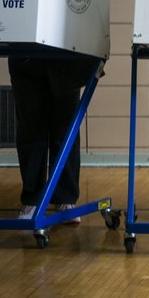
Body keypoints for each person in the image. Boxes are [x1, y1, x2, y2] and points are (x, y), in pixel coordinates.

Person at [11, 58, 97, 222]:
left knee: (66, 129)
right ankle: (32, 200)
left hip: (65, 56)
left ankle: (65, 198)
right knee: (31, 129)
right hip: (26, 56)